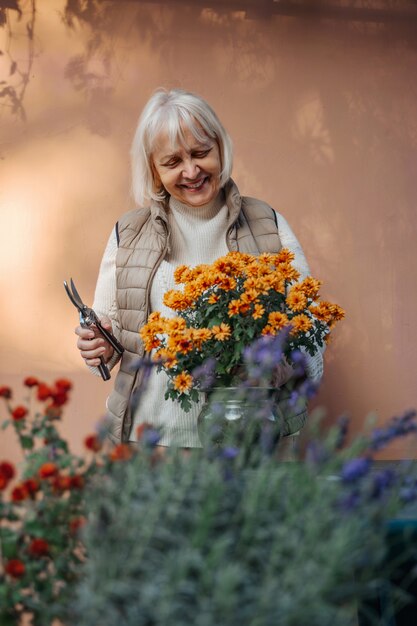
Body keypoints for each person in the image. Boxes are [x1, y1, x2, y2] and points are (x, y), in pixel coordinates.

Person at [75, 88, 323, 448]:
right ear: (154, 171)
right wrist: (97, 346)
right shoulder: (127, 234)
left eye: (201, 153)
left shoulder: (266, 223)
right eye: (172, 162)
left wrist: (286, 364)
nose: (191, 171)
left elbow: (311, 327)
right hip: (152, 444)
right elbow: (110, 346)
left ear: (220, 149)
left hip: (250, 441)